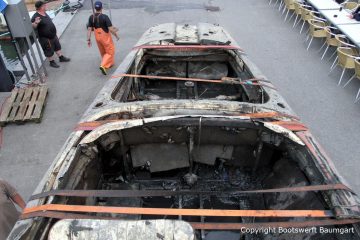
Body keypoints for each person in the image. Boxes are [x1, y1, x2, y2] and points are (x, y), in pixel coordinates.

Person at [31, 1, 70, 68]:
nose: (46, 6)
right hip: (45, 38)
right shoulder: (36, 16)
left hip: (53, 35)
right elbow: (33, 26)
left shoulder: (44, 13)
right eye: (44, 5)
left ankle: (61, 57)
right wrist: (36, 23)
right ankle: (51, 62)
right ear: (41, 7)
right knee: (48, 50)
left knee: (57, 46)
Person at [87, 1, 119, 75]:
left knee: (103, 52)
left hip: (97, 38)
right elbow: (111, 29)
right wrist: (116, 36)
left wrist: (88, 39)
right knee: (110, 52)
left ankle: (109, 64)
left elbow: (89, 29)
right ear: (102, 8)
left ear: (95, 8)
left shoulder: (91, 17)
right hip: (105, 38)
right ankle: (103, 65)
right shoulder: (105, 17)